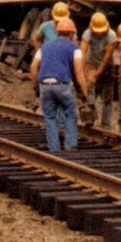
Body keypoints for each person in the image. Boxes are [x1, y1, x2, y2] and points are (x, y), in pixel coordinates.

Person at [30, 17, 88, 152]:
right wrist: (84, 93)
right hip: (63, 86)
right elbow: (79, 72)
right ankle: (70, 146)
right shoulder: (74, 47)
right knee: (70, 114)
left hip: (45, 86)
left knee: (49, 117)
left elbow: (33, 66)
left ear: (58, 32)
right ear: (71, 34)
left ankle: (54, 149)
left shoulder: (44, 47)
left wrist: (36, 85)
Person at [80, 12, 118, 129]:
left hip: (106, 68)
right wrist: (86, 73)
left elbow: (107, 56)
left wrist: (96, 74)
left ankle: (106, 125)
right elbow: (82, 53)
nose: (99, 32)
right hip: (91, 64)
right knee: (89, 92)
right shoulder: (87, 34)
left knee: (107, 98)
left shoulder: (111, 35)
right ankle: (89, 118)